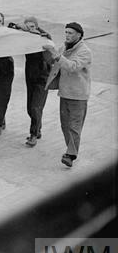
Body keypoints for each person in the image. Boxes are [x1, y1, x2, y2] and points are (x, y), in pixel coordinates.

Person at [44, 22, 92, 168]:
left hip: (78, 96)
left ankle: (71, 155)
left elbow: (73, 66)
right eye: (66, 32)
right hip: (64, 93)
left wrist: (57, 56)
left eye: (70, 33)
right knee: (65, 125)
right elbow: (53, 60)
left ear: (79, 35)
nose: (67, 35)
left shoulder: (85, 51)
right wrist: (45, 43)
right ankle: (70, 150)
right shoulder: (64, 47)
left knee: (74, 126)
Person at [8, 16, 54, 147]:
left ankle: (33, 134)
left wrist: (27, 30)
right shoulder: (25, 38)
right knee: (30, 107)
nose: (30, 30)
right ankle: (38, 129)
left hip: (43, 77)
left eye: (32, 27)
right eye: (28, 27)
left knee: (35, 107)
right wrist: (17, 27)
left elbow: (44, 38)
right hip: (30, 76)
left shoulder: (44, 36)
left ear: (37, 26)